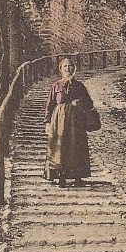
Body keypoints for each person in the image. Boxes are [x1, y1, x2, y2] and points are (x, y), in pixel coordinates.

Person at [44, 57, 94, 188]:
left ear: (74, 68)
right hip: (59, 122)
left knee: (76, 147)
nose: (68, 69)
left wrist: (79, 103)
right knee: (60, 148)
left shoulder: (79, 86)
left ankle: (78, 177)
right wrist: (48, 123)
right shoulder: (56, 86)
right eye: (65, 66)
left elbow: (89, 104)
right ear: (60, 69)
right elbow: (49, 105)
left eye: (70, 66)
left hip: (76, 122)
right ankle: (60, 177)